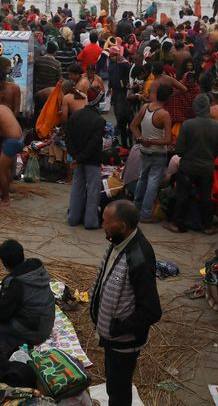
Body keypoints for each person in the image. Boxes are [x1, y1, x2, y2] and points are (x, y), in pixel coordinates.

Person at [90, 200, 162, 406]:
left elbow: (152, 310)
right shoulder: (119, 242)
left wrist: (118, 328)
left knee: (119, 389)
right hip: (113, 336)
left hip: (124, 341)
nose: (102, 224)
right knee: (114, 384)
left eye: (106, 221)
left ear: (122, 226)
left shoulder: (139, 256)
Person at [0, 239, 56, 347]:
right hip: (47, 323)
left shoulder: (15, 283)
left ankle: (15, 341)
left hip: (34, 333)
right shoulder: (36, 267)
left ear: (4, 262)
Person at [164, 95, 218, 234]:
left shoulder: (188, 124)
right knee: (206, 197)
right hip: (207, 168)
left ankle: (176, 224)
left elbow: (179, 149)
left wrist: (189, 155)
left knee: (182, 195)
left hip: (188, 167)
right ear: (208, 108)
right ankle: (207, 226)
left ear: (195, 107)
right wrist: (208, 157)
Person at [130, 83, 173, 222]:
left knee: (143, 179)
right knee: (152, 183)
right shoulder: (164, 114)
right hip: (157, 153)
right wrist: (150, 141)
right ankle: (145, 214)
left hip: (144, 151)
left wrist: (140, 138)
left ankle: (136, 208)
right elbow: (167, 140)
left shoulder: (145, 107)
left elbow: (133, 125)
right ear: (168, 98)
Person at [64, 95, 106, 229]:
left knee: (77, 188)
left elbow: (68, 138)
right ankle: (90, 221)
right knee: (93, 191)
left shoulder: (75, 116)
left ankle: (73, 218)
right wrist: (80, 157)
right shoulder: (99, 121)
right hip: (92, 160)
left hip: (78, 159)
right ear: (98, 105)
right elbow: (93, 144)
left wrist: (75, 157)